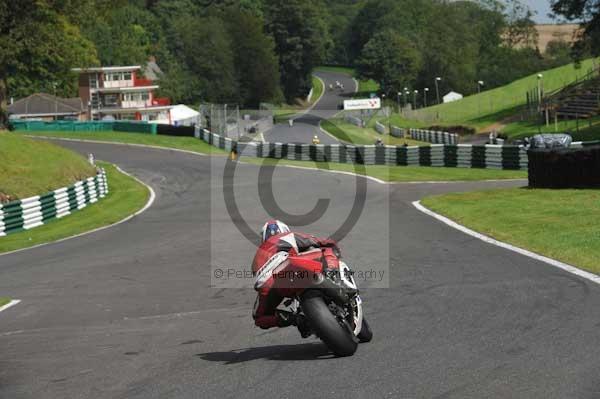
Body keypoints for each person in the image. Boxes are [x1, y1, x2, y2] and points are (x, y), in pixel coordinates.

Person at [251, 220, 340, 332]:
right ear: (284, 230)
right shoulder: (286, 236)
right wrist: (333, 246)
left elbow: (258, 280)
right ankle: (331, 272)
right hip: (292, 266)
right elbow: (316, 241)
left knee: (259, 317)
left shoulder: (258, 255)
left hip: (270, 283)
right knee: (326, 249)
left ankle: (294, 319)